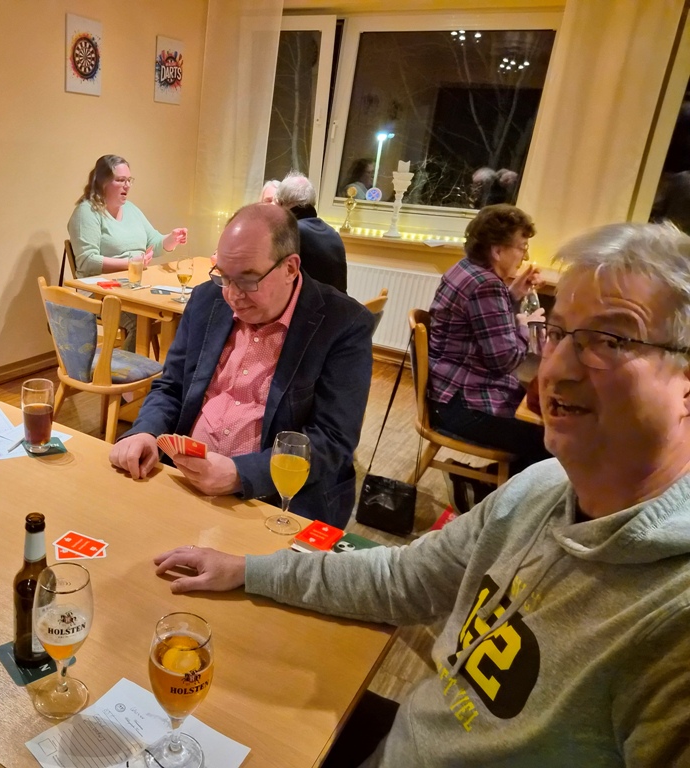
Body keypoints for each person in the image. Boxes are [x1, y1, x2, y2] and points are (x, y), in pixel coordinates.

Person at [152, 221, 690, 767]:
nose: (558, 369)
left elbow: (334, 445)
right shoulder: (539, 488)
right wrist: (246, 569)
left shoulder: (674, 617)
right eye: (558, 333)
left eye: (611, 340)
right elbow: (401, 577)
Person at [109, 203, 373, 527]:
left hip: (275, 499)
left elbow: (332, 440)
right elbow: (172, 386)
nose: (232, 295)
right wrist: (145, 432)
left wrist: (240, 474)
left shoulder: (343, 324)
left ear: (290, 268)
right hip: (185, 479)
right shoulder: (207, 299)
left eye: (248, 281)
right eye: (223, 276)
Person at [426, 204, 550, 505]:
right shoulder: (486, 285)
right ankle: (494, 499)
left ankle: (483, 483)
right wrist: (526, 326)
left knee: (540, 421)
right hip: (462, 406)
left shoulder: (466, 269)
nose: (524, 257)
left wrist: (513, 294)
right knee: (549, 439)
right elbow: (505, 360)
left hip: (447, 393)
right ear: (497, 250)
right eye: (521, 248)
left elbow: (482, 320)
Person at [67, 155, 188, 350]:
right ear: (103, 182)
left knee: (181, 313)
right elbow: (87, 261)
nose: (127, 186)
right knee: (140, 322)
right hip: (99, 291)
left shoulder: (131, 209)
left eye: (129, 180)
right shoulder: (87, 212)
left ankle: (168, 368)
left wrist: (172, 238)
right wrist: (131, 263)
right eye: (120, 180)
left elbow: (154, 242)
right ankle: (126, 368)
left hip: (134, 286)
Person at [275, 172, 348, 293]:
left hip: (312, 304)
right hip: (337, 303)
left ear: (280, 203)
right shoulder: (332, 233)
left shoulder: (291, 232)